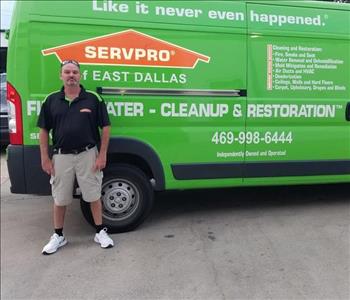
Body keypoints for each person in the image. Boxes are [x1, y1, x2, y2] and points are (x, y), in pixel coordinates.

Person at [37, 59, 114, 255]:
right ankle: (58, 236)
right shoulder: (51, 100)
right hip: (61, 157)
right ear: (61, 76)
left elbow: (105, 126)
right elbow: (44, 130)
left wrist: (102, 154)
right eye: (67, 72)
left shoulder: (93, 98)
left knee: (94, 195)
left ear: (80, 75)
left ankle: (100, 232)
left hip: (88, 154)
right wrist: (45, 158)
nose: (71, 75)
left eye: (74, 72)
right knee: (60, 198)